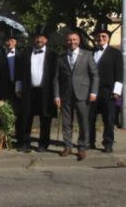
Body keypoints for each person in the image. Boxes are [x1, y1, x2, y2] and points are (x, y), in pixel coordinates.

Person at [54, 30, 99, 161]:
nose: (72, 42)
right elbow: (56, 78)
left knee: (83, 122)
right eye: (69, 40)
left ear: (79, 41)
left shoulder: (87, 55)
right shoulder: (61, 57)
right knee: (66, 123)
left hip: (83, 94)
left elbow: (95, 75)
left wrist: (93, 92)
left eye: (74, 39)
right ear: (66, 41)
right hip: (66, 94)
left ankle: (82, 147)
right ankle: (67, 146)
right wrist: (56, 95)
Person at [16, 25, 57, 153]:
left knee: (45, 118)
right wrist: (18, 87)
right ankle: (25, 142)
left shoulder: (53, 55)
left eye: (42, 38)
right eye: (37, 37)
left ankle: (43, 144)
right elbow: (19, 72)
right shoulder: (26, 53)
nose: (39, 40)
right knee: (26, 117)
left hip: (46, 91)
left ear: (46, 40)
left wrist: (57, 94)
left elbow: (56, 75)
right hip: (29, 90)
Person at [89, 23, 123, 153]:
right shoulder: (90, 52)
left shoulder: (115, 53)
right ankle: (90, 141)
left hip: (108, 91)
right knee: (90, 117)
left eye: (103, 36)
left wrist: (116, 92)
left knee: (108, 119)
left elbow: (119, 73)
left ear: (108, 37)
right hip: (92, 90)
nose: (100, 38)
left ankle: (108, 143)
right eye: (98, 36)